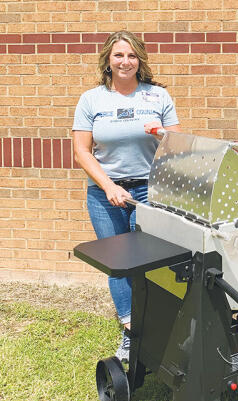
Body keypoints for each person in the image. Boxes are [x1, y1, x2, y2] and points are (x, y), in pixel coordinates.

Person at [72, 30, 182, 363]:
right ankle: (132, 335)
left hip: (148, 193)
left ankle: (162, 329)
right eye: (119, 55)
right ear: (108, 59)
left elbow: (175, 145)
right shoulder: (92, 100)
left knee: (151, 264)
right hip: (105, 196)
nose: (125, 61)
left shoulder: (157, 97)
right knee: (119, 266)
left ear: (140, 60)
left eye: (132, 55)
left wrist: (161, 134)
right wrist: (108, 186)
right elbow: (81, 151)